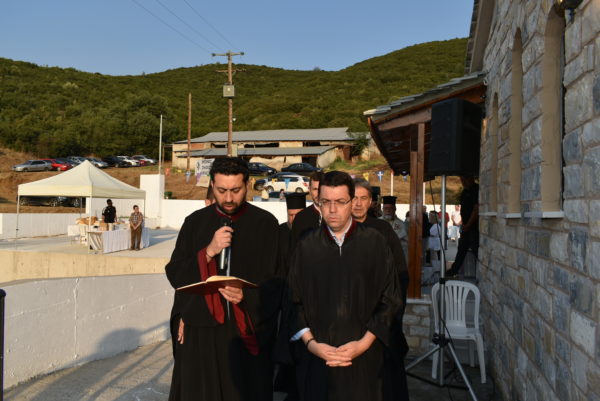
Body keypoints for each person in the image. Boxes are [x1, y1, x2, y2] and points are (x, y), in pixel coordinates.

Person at [165, 157, 281, 401]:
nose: (228, 198)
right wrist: (208, 252)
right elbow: (175, 273)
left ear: (247, 185)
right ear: (212, 185)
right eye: (221, 190)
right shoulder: (195, 223)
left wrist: (246, 295)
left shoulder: (266, 224)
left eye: (236, 190)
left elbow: (280, 281)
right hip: (201, 333)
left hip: (245, 331)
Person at [286, 171, 402, 401]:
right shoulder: (306, 246)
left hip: (364, 357)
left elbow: (390, 298)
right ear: (318, 202)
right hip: (318, 357)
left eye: (340, 202)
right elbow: (293, 300)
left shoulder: (375, 243)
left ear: (351, 202)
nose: (332, 209)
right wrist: (312, 344)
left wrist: (363, 344)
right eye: (325, 202)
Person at [351, 179, 409, 401]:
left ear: (371, 202)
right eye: (354, 198)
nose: (358, 204)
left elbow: (400, 274)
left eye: (363, 198)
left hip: (381, 317)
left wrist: (392, 315)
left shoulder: (383, 230)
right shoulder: (339, 229)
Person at [273, 192, 307, 401]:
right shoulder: (279, 232)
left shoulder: (311, 234)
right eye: (290, 215)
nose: (293, 219)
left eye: (298, 215)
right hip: (282, 295)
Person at [446, 176, 479, 277]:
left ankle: (482, 271)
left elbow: (476, 209)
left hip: (474, 227)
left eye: (465, 180)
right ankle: (454, 270)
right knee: (461, 249)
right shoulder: (464, 192)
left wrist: (468, 224)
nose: (463, 182)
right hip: (465, 226)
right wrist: (464, 224)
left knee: (476, 249)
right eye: (462, 180)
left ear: (471, 178)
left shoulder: (476, 190)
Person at [291, 171, 323, 243]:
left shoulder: (336, 215)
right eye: (315, 189)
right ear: (309, 190)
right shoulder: (300, 218)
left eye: (321, 189)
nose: (318, 193)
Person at [381, 195, 408, 266]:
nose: (388, 210)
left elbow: (406, 242)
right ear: (382, 209)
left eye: (390, 208)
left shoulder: (401, 224)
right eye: (386, 208)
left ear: (395, 209)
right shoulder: (377, 222)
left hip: (396, 258)